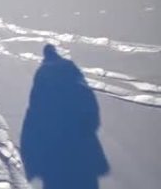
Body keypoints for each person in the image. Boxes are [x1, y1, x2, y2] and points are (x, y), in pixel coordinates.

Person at [21, 44, 109, 189]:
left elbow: (35, 108)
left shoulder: (42, 73)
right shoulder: (72, 70)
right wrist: (90, 125)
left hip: (54, 141)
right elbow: (88, 98)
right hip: (79, 139)